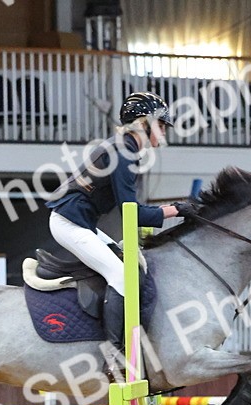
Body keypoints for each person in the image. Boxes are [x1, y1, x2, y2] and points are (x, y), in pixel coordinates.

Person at [47, 91, 198, 350]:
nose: (164, 132)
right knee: (121, 276)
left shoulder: (124, 147)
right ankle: (115, 354)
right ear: (142, 123)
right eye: (160, 125)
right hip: (69, 224)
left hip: (80, 223)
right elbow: (133, 213)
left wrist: (174, 209)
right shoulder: (123, 151)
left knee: (126, 264)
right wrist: (176, 210)